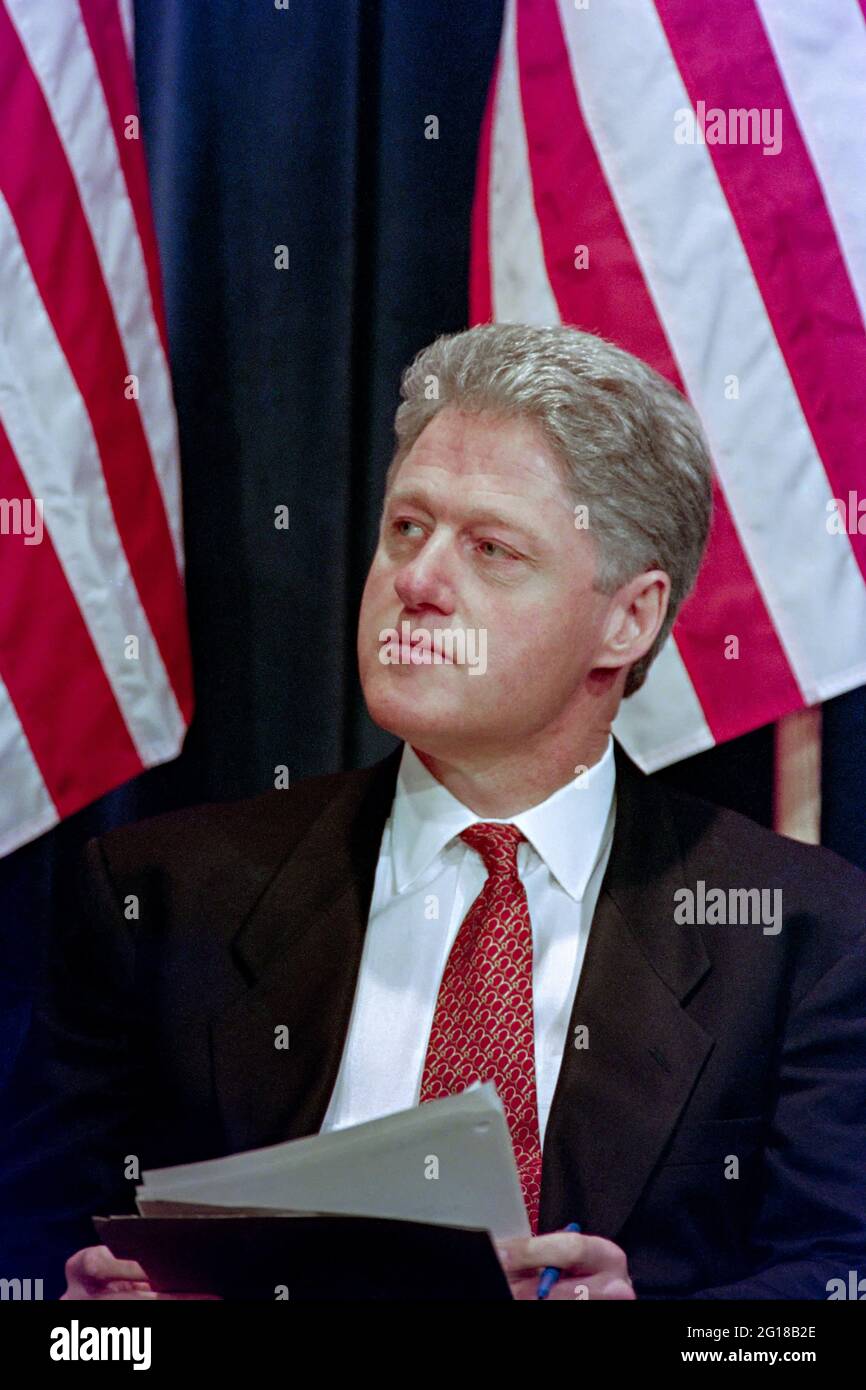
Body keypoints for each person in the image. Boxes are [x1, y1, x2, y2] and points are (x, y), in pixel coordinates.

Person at [2, 324, 865, 1301]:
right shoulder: (159, 896)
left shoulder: (803, 934)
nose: (413, 581)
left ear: (626, 619)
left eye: (489, 549)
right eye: (406, 527)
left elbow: (836, 1279)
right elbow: (26, 1249)